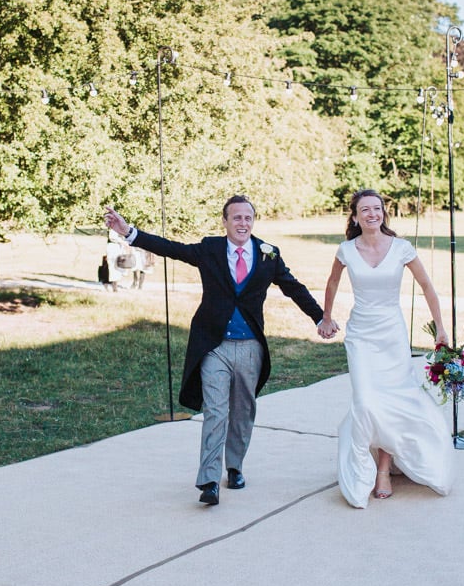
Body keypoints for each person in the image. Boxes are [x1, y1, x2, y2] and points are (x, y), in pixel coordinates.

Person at [104, 196, 331, 506]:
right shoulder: (210, 249)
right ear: (225, 222)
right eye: (236, 217)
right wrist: (128, 232)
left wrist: (320, 317)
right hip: (214, 346)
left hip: (250, 346)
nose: (242, 223)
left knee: (242, 411)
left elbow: (294, 288)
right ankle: (209, 479)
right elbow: (173, 249)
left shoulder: (268, 255)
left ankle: (234, 466)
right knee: (215, 410)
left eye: (248, 217)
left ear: (254, 221)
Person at [317, 189, 455, 509]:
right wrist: (326, 316)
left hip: (392, 335)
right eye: (364, 210)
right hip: (361, 337)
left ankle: (382, 469)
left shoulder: (402, 248)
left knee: (392, 400)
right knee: (366, 401)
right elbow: (333, 283)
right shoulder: (346, 250)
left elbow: (427, 287)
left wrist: (441, 329)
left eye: (377, 209)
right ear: (354, 217)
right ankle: (362, 468)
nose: (371, 214)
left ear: (383, 213)